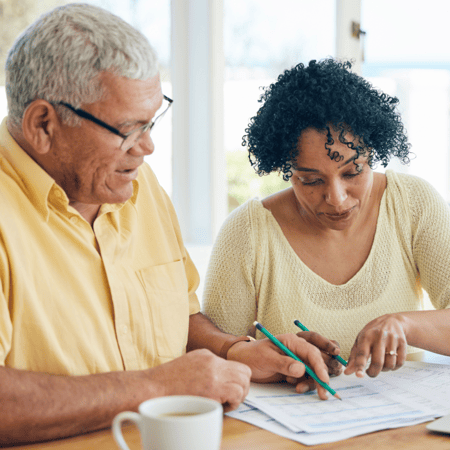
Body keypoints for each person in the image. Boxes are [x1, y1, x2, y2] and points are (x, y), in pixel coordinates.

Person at [0, 4, 337, 445]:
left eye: (153, 120)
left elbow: (180, 317)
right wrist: (155, 387)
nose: (148, 147)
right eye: (129, 129)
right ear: (44, 124)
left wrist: (236, 351)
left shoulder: (138, 186)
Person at [203, 58, 450, 383]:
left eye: (353, 172)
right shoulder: (248, 232)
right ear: (286, 169)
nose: (337, 198)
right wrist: (267, 361)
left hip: (402, 427)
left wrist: (406, 324)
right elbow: (213, 357)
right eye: (311, 180)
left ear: (373, 151)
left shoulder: (412, 203)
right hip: (290, 425)